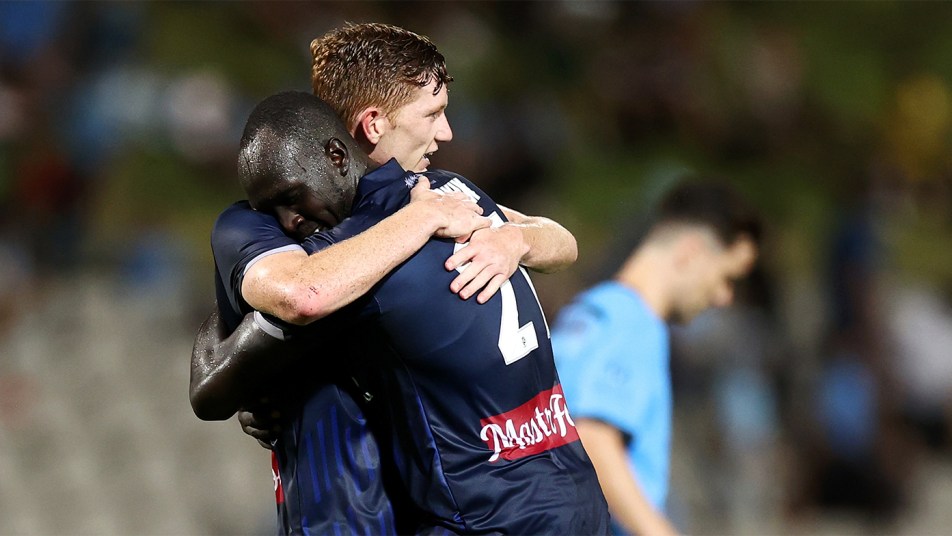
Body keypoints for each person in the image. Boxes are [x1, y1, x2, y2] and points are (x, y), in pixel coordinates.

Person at [190, 23, 580, 535]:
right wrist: (255, 379)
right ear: (373, 124)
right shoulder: (259, 225)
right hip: (344, 503)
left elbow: (562, 242)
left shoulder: (441, 192)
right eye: (433, 114)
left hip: (428, 502)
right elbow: (290, 307)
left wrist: (515, 239)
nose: (446, 133)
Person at [551, 180, 762, 536]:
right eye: (727, 277)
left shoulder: (588, 313)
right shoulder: (632, 324)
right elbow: (592, 437)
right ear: (690, 251)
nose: (724, 297)